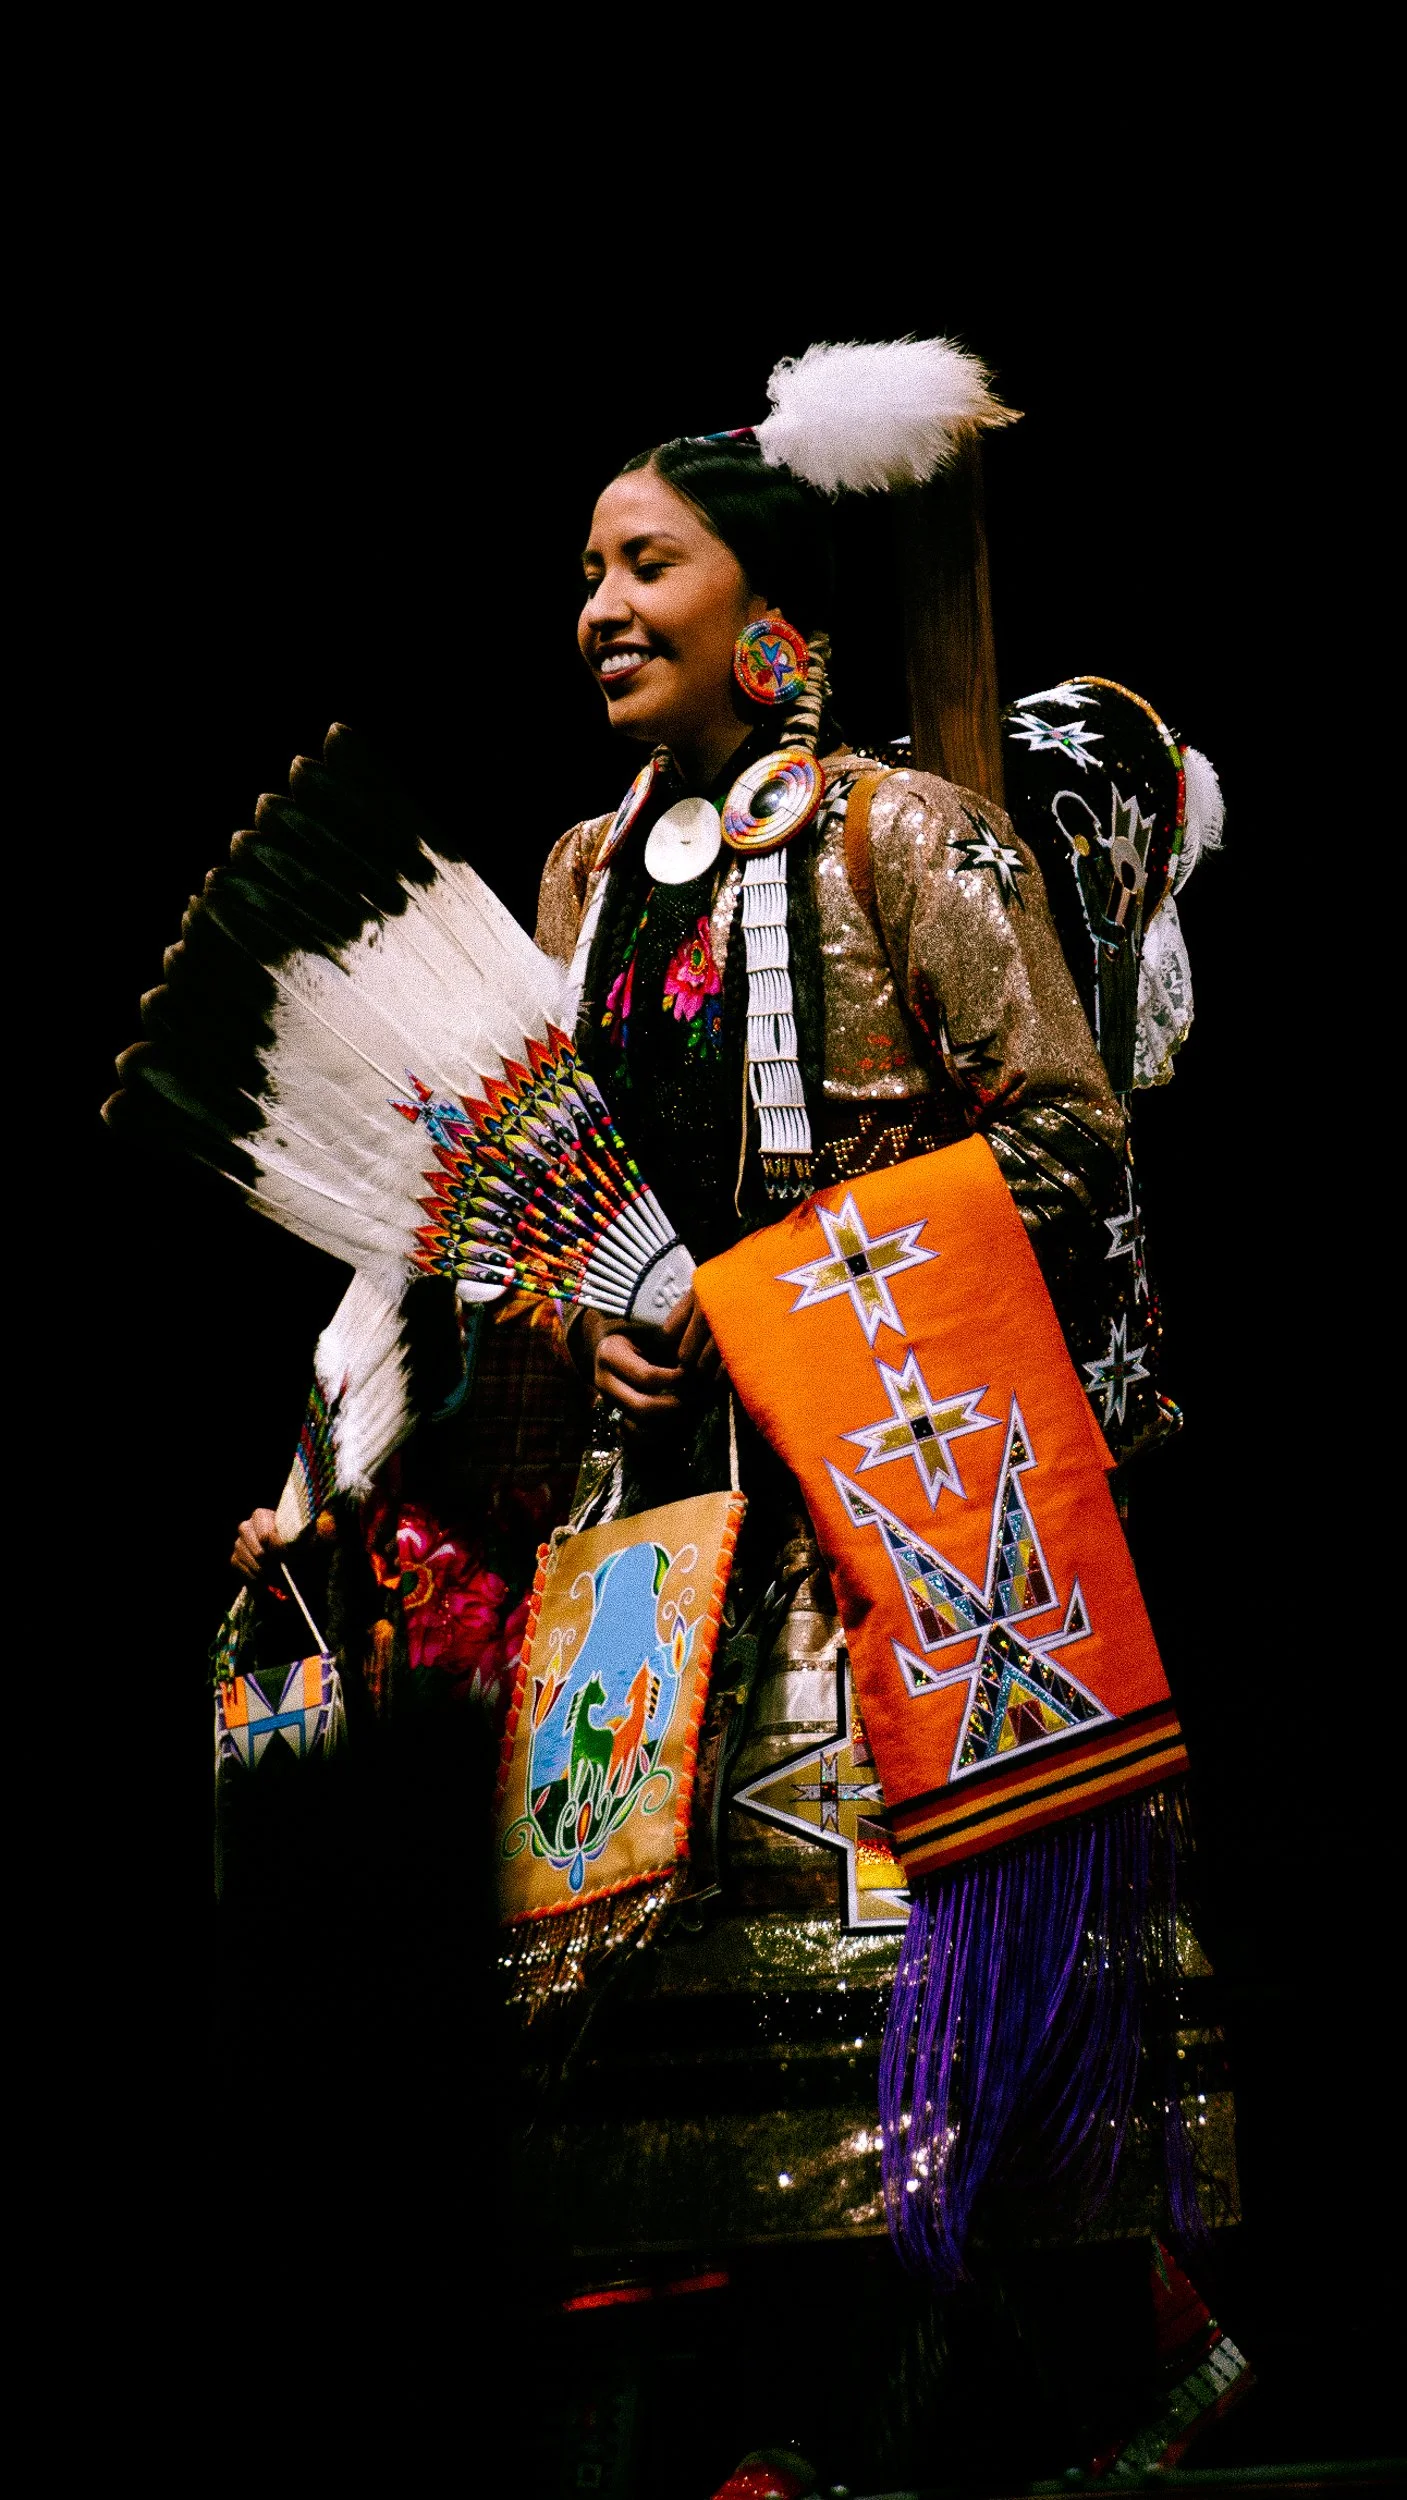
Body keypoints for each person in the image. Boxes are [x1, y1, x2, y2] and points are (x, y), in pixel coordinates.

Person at [221, 379, 1237, 2494]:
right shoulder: (583, 882)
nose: (596, 604)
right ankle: (787, 2421)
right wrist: (555, 1353)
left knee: (904, 1960)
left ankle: (1069, 2369)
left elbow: (1062, 1142)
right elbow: (544, 1205)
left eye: (644, 562)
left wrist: (763, 1299)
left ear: (771, 604)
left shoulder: (903, 836)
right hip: (667, 1538)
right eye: (584, 571)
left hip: (899, 1499)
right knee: (665, 1998)